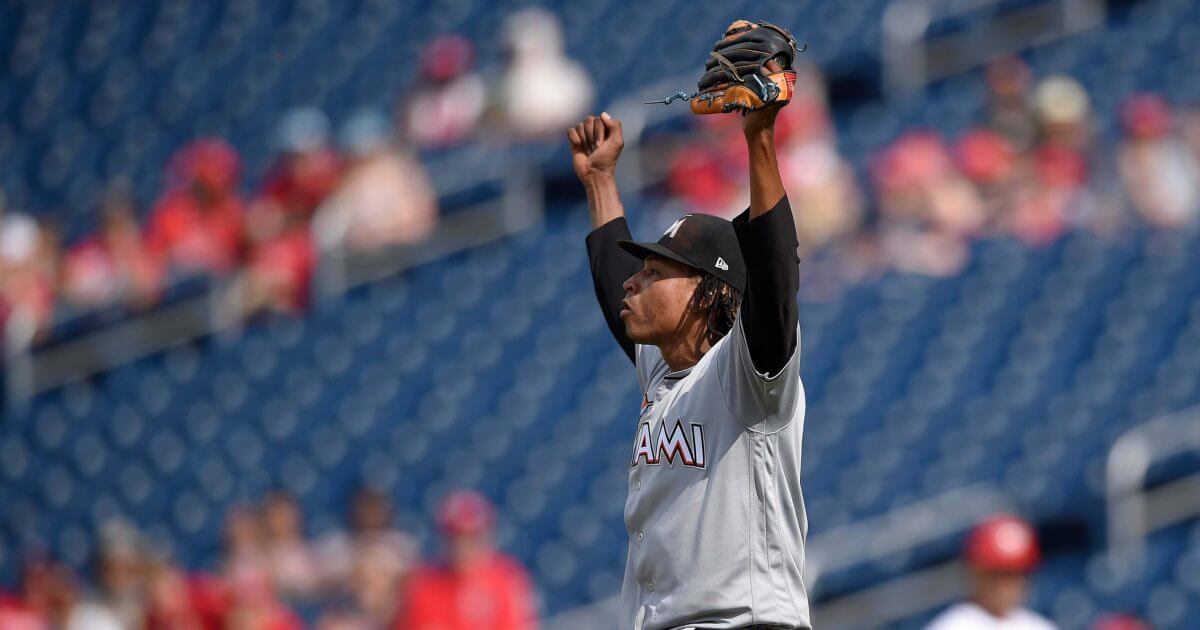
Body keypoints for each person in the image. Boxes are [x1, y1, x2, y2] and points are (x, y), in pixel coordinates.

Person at [569, 87, 809, 628]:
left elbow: (774, 276)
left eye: (655, 273)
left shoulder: (746, 375)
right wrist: (601, 182)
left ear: (710, 291)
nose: (635, 282)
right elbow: (614, 288)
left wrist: (760, 136)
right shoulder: (665, 369)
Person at [394, 490, 536, 630]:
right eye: (455, 537)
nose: (462, 546)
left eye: (471, 537)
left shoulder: (507, 580)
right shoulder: (423, 584)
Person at [925, 515, 1055, 630]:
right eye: (997, 574)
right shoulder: (952, 626)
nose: (1006, 586)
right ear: (976, 573)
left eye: (1015, 574)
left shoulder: (1039, 625)